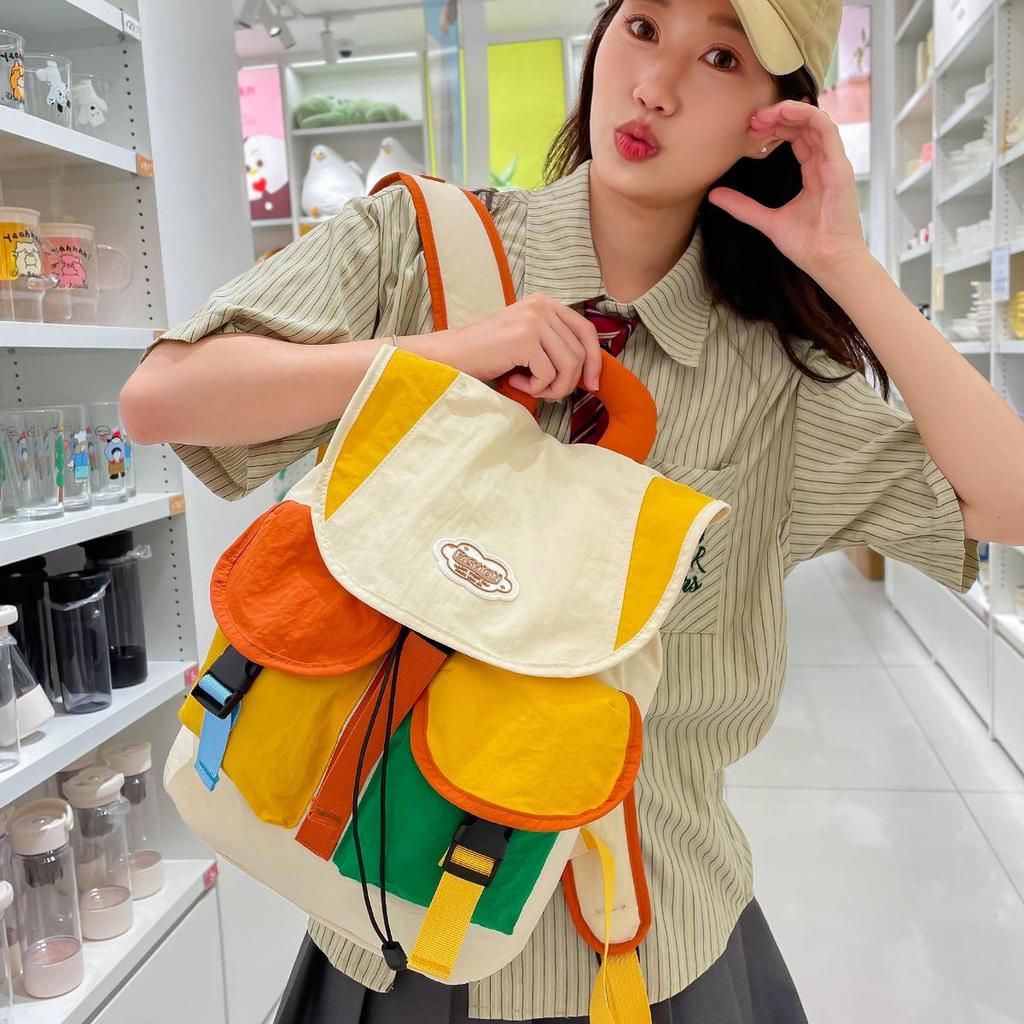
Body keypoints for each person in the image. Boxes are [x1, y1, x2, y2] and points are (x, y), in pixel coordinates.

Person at [121, 0, 1024, 1020]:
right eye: (641, 27)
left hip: (647, 941)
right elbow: (163, 398)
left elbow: (1008, 501)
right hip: (387, 910)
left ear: (773, 122)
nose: (656, 87)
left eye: (720, 56)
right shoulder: (421, 245)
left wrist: (845, 265)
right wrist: (448, 355)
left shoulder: (771, 377)